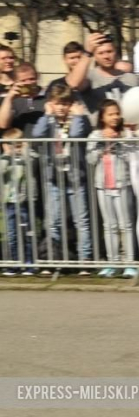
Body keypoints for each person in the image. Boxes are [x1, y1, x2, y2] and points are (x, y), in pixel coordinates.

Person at [32, 84, 93, 275]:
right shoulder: (49, 122)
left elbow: (75, 135)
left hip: (75, 178)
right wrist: (47, 115)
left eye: (65, 103)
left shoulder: (77, 121)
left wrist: (78, 115)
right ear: (51, 103)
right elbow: (37, 134)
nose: (61, 108)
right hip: (54, 178)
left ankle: (85, 260)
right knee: (53, 221)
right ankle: (52, 259)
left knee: (81, 220)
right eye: (58, 103)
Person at [87, 99, 137, 279]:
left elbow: (132, 157)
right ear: (102, 117)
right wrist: (102, 143)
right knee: (109, 225)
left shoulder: (126, 133)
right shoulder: (95, 135)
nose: (115, 117)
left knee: (126, 224)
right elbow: (91, 159)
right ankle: (112, 262)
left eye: (117, 113)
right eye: (111, 114)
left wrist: (120, 142)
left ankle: (130, 263)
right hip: (103, 184)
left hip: (122, 183)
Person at [70, 33, 139, 116]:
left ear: (115, 52)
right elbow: (73, 83)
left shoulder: (131, 78)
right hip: (96, 127)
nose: (106, 56)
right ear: (94, 56)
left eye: (109, 51)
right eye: (101, 53)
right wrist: (87, 53)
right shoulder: (90, 77)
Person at [1, 128, 34, 276]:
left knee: (27, 234)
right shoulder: (4, 159)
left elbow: (31, 161)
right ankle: (13, 264)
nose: (15, 148)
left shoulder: (25, 158)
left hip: (24, 202)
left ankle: (29, 264)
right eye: (11, 144)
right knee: (12, 235)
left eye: (18, 145)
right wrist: (7, 155)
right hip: (9, 203)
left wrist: (25, 150)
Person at [0, 63, 47, 137]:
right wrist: (9, 98)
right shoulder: (12, 99)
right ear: (15, 81)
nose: (28, 83)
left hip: (44, 145)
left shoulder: (48, 96)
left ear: (37, 76)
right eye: (23, 80)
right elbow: (3, 124)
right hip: (18, 146)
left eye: (32, 79)